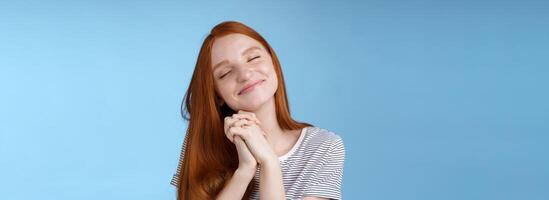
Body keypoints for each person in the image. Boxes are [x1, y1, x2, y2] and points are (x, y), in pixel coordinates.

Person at [170, 21, 345, 200]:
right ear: (217, 94)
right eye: (225, 73)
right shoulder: (205, 147)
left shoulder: (323, 147)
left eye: (253, 58)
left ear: (273, 63)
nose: (245, 74)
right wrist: (244, 171)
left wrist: (270, 163)